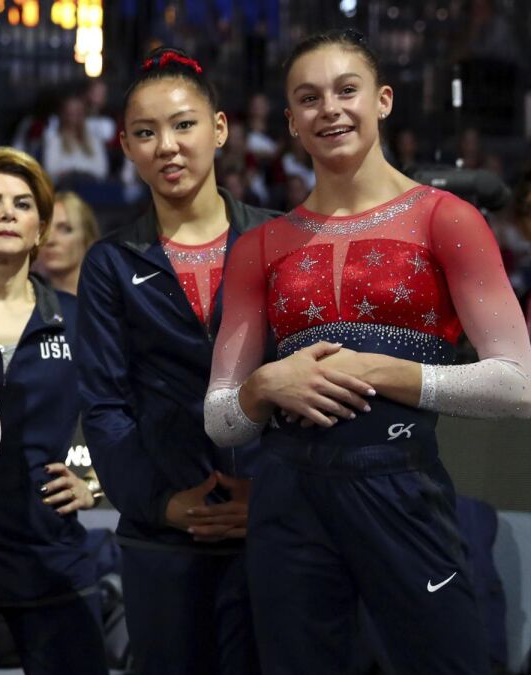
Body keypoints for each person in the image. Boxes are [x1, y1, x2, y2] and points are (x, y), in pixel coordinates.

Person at [204, 29, 531, 675]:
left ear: (382, 100)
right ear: (292, 121)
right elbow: (222, 418)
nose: (329, 109)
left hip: (401, 488)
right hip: (287, 503)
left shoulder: (447, 218)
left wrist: (380, 370)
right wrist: (263, 386)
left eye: (345, 90)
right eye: (308, 98)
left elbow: (518, 385)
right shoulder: (259, 246)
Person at [77, 48, 279, 675]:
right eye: (146, 132)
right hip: (163, 541)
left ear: (219, 129)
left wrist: (272, 494)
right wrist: (163, 503)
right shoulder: (111, 263)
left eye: (184, 125)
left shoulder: (279, 242)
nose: (167, 146)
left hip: (275, 531)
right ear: (126, 146)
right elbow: (105, 407)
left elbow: (311, 385)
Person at [0, 146, 108, 675]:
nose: (8, 213)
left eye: (23, 204)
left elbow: (133, 411)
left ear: (40, 230)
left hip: (54, 561)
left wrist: (97, 483)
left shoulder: (81, 318)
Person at [39, 191, 99, 294]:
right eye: (44, 230)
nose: (50, 240)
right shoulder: (27, 299)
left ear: (87, 239)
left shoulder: (110, 299)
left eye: (65, 230)